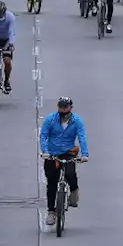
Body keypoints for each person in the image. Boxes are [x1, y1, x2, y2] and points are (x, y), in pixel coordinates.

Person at [39, 96, 89, 224]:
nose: (63, 109)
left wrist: (85, 154)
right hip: (52, 154)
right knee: (51, 183)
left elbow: (82, 137)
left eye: (65, 107)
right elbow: (43, 135)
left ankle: (74, 191)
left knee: (70, 174)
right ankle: (51, 212)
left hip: (68, 152)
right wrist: (45, 152)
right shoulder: (50, 119)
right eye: (61, 107)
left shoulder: (77, 121)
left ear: (70, 108)